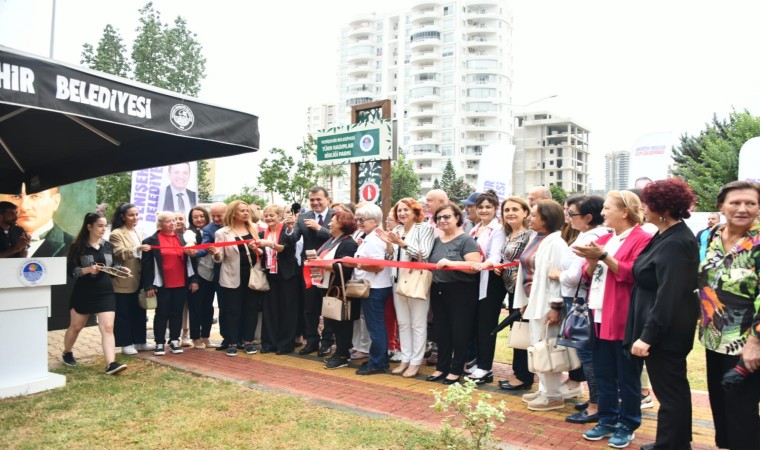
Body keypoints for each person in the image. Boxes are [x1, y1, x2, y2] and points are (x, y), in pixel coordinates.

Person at [573, 190, 652, 448]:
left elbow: (634, 273)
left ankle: (628, 423)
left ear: (625, 212)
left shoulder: (642, 238)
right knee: (604, 371)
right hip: (597, 311)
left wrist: (603, 256)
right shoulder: (606, 237)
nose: (603, 213)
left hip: (623, 315)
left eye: (608, 208)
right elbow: (588, 274)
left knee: (627, 375)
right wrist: (591, 259)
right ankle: (606, 419)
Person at [624, 178, 699, 450]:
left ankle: (673, 444)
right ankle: (673, 441)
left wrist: (647, 337)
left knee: (671, 391)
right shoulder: (665, 234)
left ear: (662, 208)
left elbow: (670, 295)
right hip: (661, 324)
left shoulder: (676, 242)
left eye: (647, 203)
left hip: (666, 330)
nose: (643, 208)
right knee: (669, 390)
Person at [697, 181, 760, 450]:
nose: (742, 208)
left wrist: (756, 342)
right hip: (714, 338)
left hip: (748, 343)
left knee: (741, 411)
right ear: (721, 206)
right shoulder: (713, 235)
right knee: (721, 407)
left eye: (751, 203)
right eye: (735, 202)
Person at [549, 195, 607, 424]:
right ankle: (597, 399)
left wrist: (557, 275)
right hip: (583, 300)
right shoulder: (586, 234)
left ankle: (596, 405)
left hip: (581, 302)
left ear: (588, 217)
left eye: (571, 213)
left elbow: (574, 277)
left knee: (588, 355)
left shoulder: (591, 236)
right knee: (589, 355)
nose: (567, 217)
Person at [513, 200, 568, 411]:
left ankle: (553, 395)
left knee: (548, 347)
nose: (529, 218)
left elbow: (555, 278)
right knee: (538, 346)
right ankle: (545, 389)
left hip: (547, 305)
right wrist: (524, 301)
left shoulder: (556, 244)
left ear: (547, 219)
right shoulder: (536, 238)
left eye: (534, 214)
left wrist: (555, 307)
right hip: (534, 301)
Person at [61, 212, 128, 375]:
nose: (104, 229)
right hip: (84, 291)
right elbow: (72, 271)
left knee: (108, 327)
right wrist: (87, 270)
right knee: (76, 326)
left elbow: (112, 266)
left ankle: (111, 364)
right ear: (89, 226)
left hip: (105, 290)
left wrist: (121, 270)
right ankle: (67, 352)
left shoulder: (107, 245)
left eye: (105, 225)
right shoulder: (77, 247)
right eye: (100, 225)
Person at [376, 198, 435, 378]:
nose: (402, 213)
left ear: (415, 212)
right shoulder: (397, 229)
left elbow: (423, 254)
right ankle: (405, 358)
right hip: (397, 280)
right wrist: (388, 243)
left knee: (417, 323)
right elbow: (390, 256)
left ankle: (416, 361)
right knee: (403, 322)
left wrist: (402, 243)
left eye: (406, 210)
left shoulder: (425, 228)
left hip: (416, 280)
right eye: (399, 211)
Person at [425, 203, 481, 385]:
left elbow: (475, 266)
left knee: (460, 331)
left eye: (447, 217)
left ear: (457, 218)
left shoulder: (466, 240)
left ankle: (456, 370)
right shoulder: (436, 241)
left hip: (461, 290)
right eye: (439, 217)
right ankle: (442, 367)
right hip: (439, 289)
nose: (442, 220)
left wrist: (451, 263)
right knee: (442, 331)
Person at [208, 200, 265, 356]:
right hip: (232, 276)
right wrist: (215, 253)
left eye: (247, 210)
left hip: (252, 275)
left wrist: (257, 250)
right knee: (233, 310)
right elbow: (220, 258)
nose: (246, 213)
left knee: (251, 309)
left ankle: (248, 341)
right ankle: (232, 342)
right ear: (233, 213)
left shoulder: (253, 229)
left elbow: (260, 253)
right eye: (242, 211)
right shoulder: (222, 233)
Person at [142, 211, 200, 356]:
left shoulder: (182, 239)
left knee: (177, 313)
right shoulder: (151, 241)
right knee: (161, 313)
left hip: (180, 282)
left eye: (174, 221)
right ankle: (159, 342)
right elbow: (146, 265)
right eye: (168, 221)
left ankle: (174, 340)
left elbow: (191, 261)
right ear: (160, 224)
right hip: (162, 283)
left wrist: (193, 280)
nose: (172, 224)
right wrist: (149, 285)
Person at [493, 196, 535, 392]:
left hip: (525, 292)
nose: (510, 213)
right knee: (517, 332)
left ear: (525, 212)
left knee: (522, 333)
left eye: (515, 209)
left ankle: (523, 377)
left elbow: (530, 263)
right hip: (511, 290)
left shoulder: (530, 235)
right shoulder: (508, 235)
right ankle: (520, 373)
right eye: (506, 210)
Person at [348, 204, 393, 375]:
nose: (358, 222)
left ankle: (378, 362)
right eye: (357, 219)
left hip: (374, 287)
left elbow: (378, 266)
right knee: (376, 326)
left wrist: (356, 263)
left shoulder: (374, 239)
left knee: (376, 327)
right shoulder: (370, 236)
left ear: (374, 221)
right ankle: (379, 358)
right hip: (373, 286)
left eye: (362, 219)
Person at [313, 210, 360, 370]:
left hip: (340, 290)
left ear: (342, 223)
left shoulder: (348, 243)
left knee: (342, 324)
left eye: (333, 221)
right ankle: (339, 352)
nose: (329, 223)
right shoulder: (332, 240)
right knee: (333, 322)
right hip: (328, 287)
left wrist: (321, 264)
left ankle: (342, 355)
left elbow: (345, 269)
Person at [466, 190, 505, 384]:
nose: (484, 210)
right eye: (480, 207)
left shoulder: (498, 229)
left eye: (488, 207)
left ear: (496, 209)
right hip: (474, 281)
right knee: (475, 324)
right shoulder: (474, 229)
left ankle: (485, 367)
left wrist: (484, 264)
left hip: (490, 282)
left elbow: (496, 256)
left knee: (486, 326)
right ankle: (477, 363)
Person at [294, 187, 335, 357]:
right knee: (310, 308)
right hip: (310, 270)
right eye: (312, 200)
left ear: (327, 199)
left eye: (318, 199)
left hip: (329, 269)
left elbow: (338, 237)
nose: (315, 203)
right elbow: (293, 237)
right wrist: (289, 229)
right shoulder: (303, 217)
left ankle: (327, 342)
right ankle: (311, 341)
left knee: (328, 307)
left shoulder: (335, 216)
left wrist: (319, 228)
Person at [109, 203, 155, 355]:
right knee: (124, 312)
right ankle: (125, 343)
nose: (135, 218)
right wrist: (137, 249)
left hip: (140, 278)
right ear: (122, 216)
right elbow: (119, 253)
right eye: (131, 215)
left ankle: (140, 341)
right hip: (124, 279)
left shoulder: (139, 232)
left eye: (136, 214)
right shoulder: (116, 233)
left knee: (140, 311)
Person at [256, 204, 299, 355]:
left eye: (272, 215)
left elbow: (287, 248)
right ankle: (269, 343)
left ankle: (285, 345)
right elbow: (263, 253)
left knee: (287, 310)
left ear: (279, 216)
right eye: (266, 215)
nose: (268, 218)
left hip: (287, 274)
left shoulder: (286, 230)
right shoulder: (262, 233)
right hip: (270, 273)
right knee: (270, 309)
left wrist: (270, 244)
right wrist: (256, 248)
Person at [0, 185, 73, 257]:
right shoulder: (6, 235)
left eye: (35, 196)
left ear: (55, 202)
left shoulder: (73, 244)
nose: (24, 207)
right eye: (16, 197)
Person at [185, 206, 216, 349]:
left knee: (208, 308)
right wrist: (194, 279)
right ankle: (196, 337)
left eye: (202, 216)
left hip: (212, 274)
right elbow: (190, 255)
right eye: (195, 217)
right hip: (197, 276)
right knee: (196, 307)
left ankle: (206, 336)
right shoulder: (190, 233)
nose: (199, 219)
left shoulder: (212, 230)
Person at [199, 202, 226, 349]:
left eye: (219, 216)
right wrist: (195, 252)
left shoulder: (236, 225)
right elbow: (205, 246)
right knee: (219, 306)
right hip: (218, 271)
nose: (215, 219)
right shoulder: (209, 229)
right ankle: (225, 337)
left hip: (237, 271)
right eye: (213, 216)